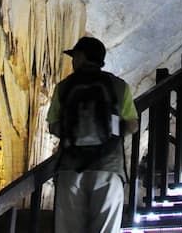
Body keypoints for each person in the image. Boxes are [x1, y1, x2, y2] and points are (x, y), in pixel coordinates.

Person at [47, 36, 138, 233]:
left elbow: (53, 126)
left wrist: (73, 134)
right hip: (108, 168)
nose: (73, 61)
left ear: (81, 57)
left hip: (70, 168)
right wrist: (111, 134)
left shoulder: (64, 87)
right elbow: (132, 125)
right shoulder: (119, 86)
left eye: (74, 56)